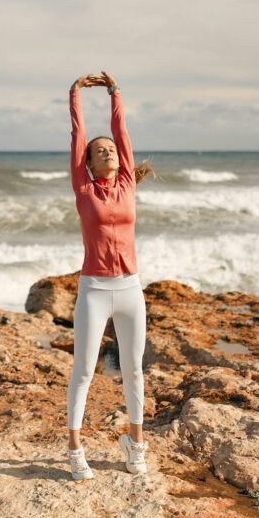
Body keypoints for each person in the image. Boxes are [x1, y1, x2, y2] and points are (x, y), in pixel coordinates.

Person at [65, 70, 157, 481]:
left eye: (111, 151)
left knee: (134, 369)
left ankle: (135, 445)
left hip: (130, 288)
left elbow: (122, 133)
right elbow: (77, 135)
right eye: (98, 151)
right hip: (95, 289)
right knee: (84, 370)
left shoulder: (126, 185)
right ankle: (74, 450)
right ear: (87, 162)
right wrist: (76, 95)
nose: (107, 152)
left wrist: (115, 93)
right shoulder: (84, 189)